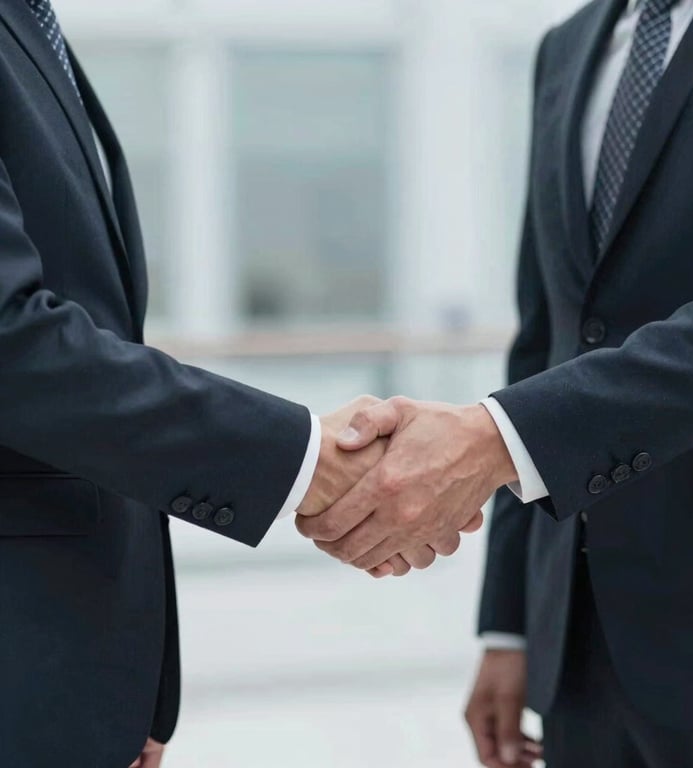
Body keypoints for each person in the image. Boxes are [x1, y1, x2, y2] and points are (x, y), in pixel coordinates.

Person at [0, 1, 483, 765]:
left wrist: (133, 687)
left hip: (70, 677)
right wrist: (309, 459)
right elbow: (14, 343)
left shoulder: (29, 25)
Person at [297, 0, 693, 766]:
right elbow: (548, 340)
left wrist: (487, 439)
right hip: (578, 648)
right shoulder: (569, 46)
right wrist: (510, 625)